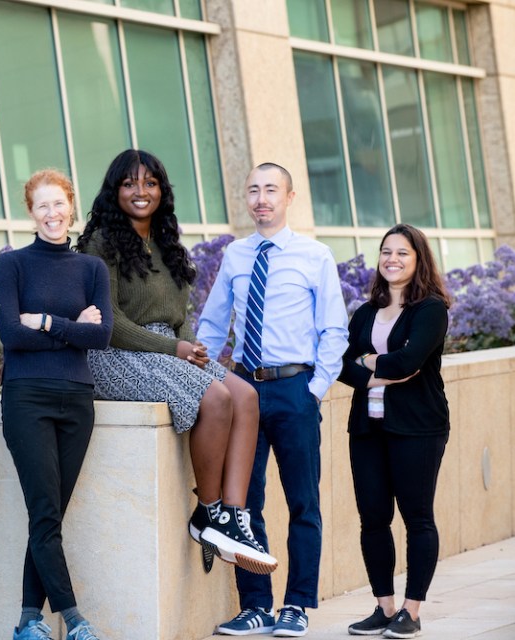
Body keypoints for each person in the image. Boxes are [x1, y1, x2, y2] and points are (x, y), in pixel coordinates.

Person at [75, 149, 278, 576]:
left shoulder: (166, 242)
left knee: (245, 395)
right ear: (115, 191)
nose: (140, 191)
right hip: (114, 355)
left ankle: (233, 517)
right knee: (217, 399)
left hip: (168, 347)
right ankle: (208, 512)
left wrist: (192, 347)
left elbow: (179, 316)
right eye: (129, 183)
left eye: (149, 183)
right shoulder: (101, 244)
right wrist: (176, 351)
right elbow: (110, 324)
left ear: (161, 191)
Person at [197, 163, 349, 637]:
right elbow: (211, 324)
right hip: (243, 390)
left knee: (303, 502)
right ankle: (256, 606)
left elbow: (334, 329)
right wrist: (209, 377)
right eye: (253, 191)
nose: (261, 199)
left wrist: (313, 391)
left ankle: (297, 605)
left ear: (289, 196)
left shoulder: (314, 255)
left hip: (294, 389)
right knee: (244, 505)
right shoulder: (236, 256)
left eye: (270, 190)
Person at [0, 169, 114, 640]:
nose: (52, 214)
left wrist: (45, 320)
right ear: (30, 213)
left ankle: (28, 620)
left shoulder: (91, 269)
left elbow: (100, 336)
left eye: (58, 204)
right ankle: (76, 620)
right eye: (41, 206)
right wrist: (71, 327)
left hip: (78, 402)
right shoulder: (12, 264)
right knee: (45, 513)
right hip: (28, 400)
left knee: (50, 517)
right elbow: (11, 336)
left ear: (71, 206)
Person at [338, 224, 451, 639]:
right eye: (387, 252)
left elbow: (410, 363)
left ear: (418, 259)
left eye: (402, 253)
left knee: (417, 517)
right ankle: (384, 607)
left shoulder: (431, 309)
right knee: (373, 518)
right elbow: (342, 366)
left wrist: (368, 363)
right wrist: (372, 370)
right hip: (367, 428)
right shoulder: (366, 312)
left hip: (418, 427)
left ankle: (412, 610)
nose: (393, 260)